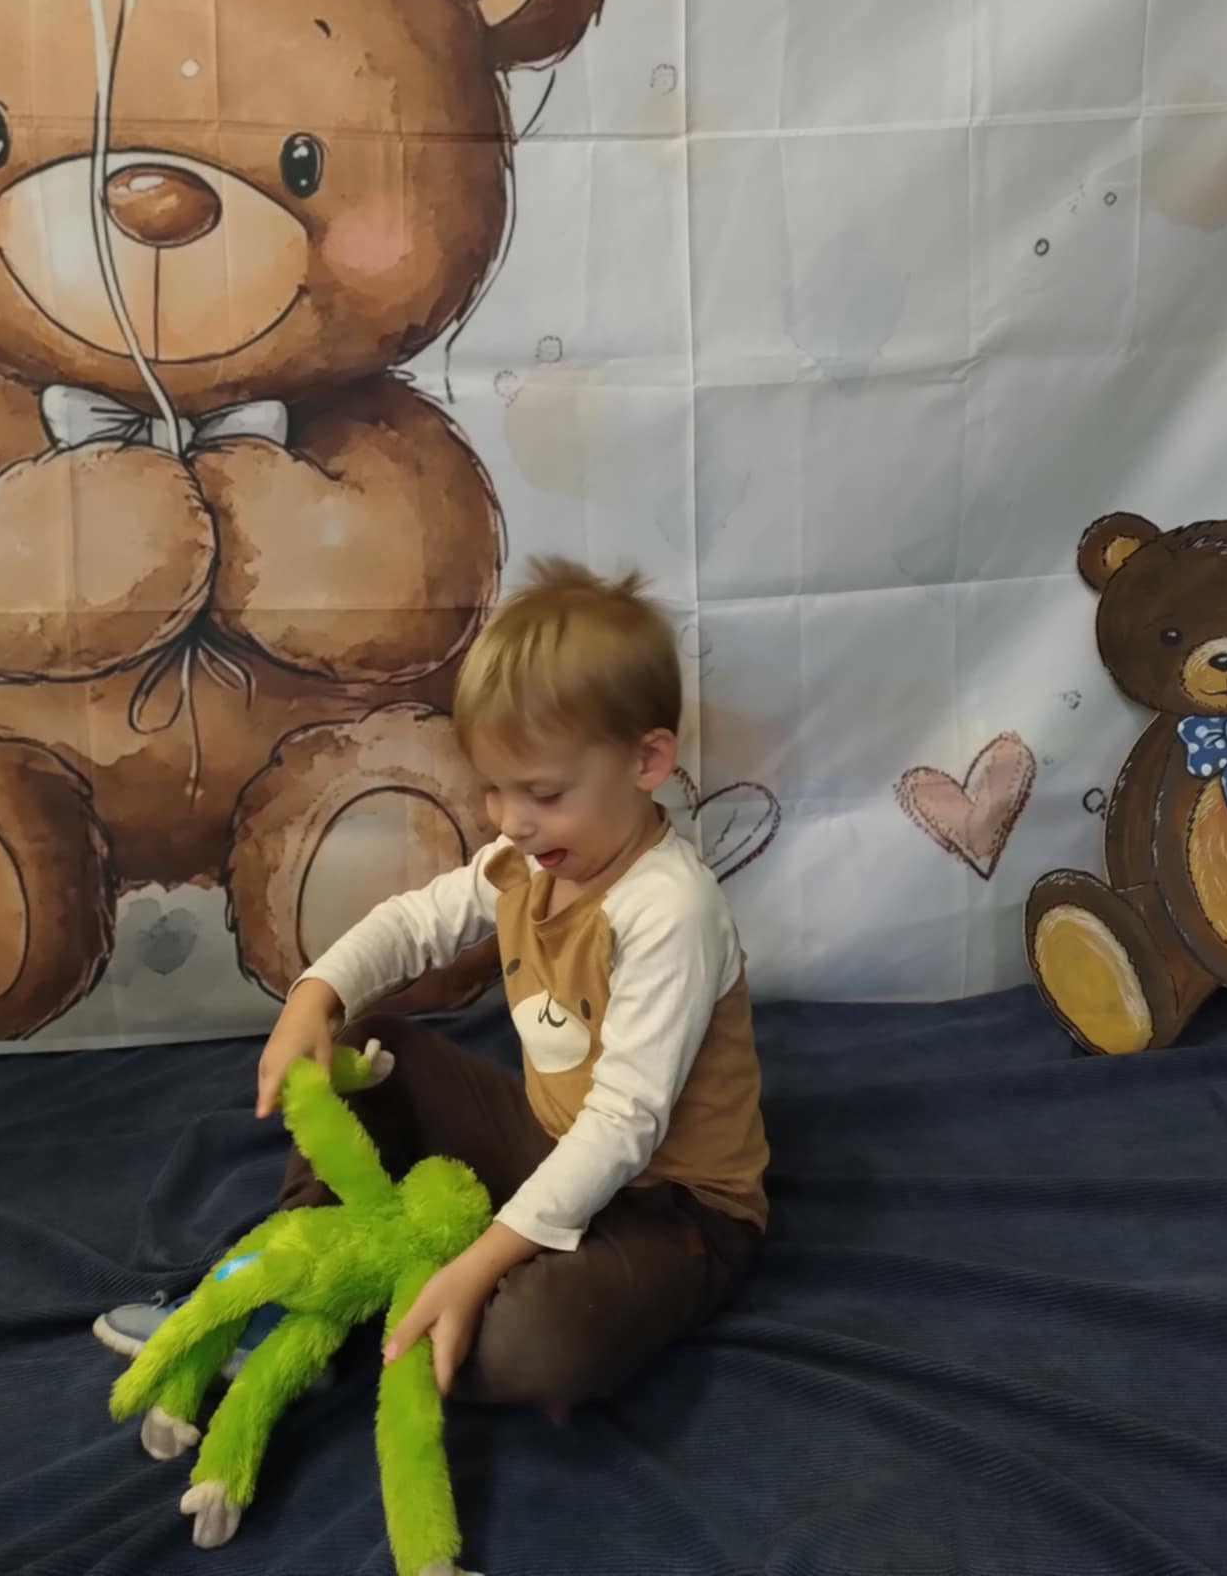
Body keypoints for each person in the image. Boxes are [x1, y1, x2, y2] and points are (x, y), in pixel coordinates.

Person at [95, 559, 768, 1420]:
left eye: (543, 793)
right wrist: (315, 996)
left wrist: (482, 1263)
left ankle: (387, 1308)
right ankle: (302, 1264)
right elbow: (417, 923)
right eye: (493, 789)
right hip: (553, 1138)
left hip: (669, 1206)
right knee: (372, 1048)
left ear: (647, 760)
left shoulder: (668, 909)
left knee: (534, 1348)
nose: (511, 821)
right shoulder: (528, 857)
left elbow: (624, 1126)